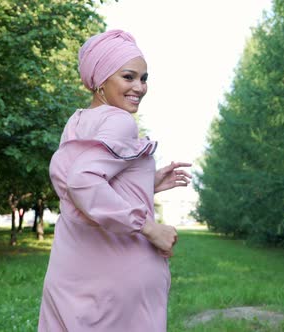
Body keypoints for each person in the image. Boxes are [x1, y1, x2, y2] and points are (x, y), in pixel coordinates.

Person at [38, 29, 192, 331]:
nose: (140, 87)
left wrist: (148, 184)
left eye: (144, 78)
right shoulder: (119, 121)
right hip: (116, 283)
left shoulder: (77, 121)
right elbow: (82, 182)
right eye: (128, 77)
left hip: (73, 277)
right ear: (100, 80)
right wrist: (150, 228)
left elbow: (82, 186)